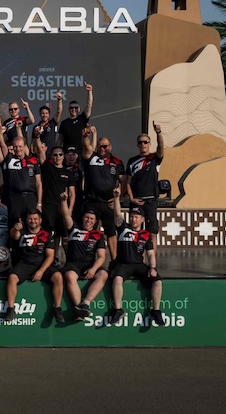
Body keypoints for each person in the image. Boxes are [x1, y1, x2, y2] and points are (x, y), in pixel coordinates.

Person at [108, 188, 165, 326]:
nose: (134, 219)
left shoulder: (146, 235)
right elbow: (117, 214)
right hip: (123, 264)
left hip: (139, 265)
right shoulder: (123, 228)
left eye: (137, 217)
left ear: (142, 219)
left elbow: (150, 254)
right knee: (117, 279)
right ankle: (118, 310)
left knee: (157, 281)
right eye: (132, 217)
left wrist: (153, 268)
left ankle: (156, 311)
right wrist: (116, 198)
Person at [5, 209, 64, 324]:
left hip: (42, 264)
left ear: (40, 220)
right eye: (30, 219)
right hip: (24, 264)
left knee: (58, 277)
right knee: (12, 277)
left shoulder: (47, 235)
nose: (33, 221)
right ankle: (10, 309)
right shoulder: (22, 232)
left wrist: (41, 271)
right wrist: (16, 228)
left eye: (35, 219)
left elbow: (50, 256)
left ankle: (57, 309)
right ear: (26, 220)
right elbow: (14, 236)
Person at [58, 192, 108, 321]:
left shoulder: (98, 235)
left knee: (103, 275)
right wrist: (64, 201)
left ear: (95, 221)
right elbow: (66, 215)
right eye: (87, 217)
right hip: (73, 264)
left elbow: (101, 256)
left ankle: (85, 303)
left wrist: (93, 269)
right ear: (83, 218)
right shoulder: (73, 228)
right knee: (70, 276)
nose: (88, 220)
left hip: (89, 264)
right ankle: (79, 308)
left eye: (91, 219)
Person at [81, 125, 125, 237]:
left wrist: (118, 199)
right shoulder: (91, 157)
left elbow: (123, 182)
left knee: (111, 232)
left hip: (108, 203)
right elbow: (86, 147)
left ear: (110, 147)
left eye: (105, 146)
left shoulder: (117, 162)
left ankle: (113, 251)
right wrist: (85, 137)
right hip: (92, 201)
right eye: (100, 146)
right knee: (90, 231)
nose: (102, 149)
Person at [0, 126, 42, 230]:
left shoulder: (34, 161)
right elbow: (2, 144)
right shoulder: (9, 159)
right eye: (15, 146)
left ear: (25, 146)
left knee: (32, 225)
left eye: (20, 146)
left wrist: (39, 203)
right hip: (14, 199)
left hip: (30, 198)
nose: (18, 149)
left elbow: (39, 183)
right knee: (15, 226)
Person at [32, 140, 76, 247]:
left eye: (60, 154)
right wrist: (37, 137)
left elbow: (72, 194)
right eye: (55, 155)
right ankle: (51, 255)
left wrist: (69, 210)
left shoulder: (68, 173)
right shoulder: (47, 167)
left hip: (62, 208)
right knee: (48, 233)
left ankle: (65, 256)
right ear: (52, 156)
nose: (58, 157)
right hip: (49, 206)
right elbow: (40, 152)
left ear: (64, 156)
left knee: (64, 235)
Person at [127, 122, 165, 241]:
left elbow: (161, 147)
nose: (143, 144)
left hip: (150, 200)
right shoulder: (132, 161)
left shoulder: (154, 158)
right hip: (136, 200)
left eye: (145, 142)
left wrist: (158, 133)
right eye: (140, 142)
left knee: (152, 231)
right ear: (137, 145)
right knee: (135, 230)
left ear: (149, 144)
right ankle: (137, 253)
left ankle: (152, 253)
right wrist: (131, 198)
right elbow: (127, 182)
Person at [57, 82, 93, 152]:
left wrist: (90, 91)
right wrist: (57, 150)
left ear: (79, 109)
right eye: (71, 108)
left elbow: (89, 105)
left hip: (81, 152)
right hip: (67, 152)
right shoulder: (64, 123)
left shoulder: (83, 118)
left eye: (76, 107)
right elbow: (60, 139)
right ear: (68, 109)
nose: (74, 109)